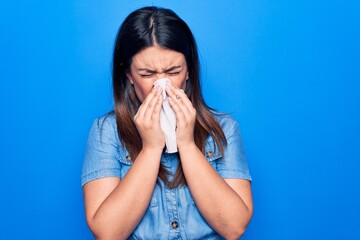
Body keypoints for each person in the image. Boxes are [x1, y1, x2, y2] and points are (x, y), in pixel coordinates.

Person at [81, 6, 253, 239]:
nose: (161, 85)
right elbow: (108, 232)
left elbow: (234, 227)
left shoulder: (224, 129)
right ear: (129, 75)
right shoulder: (106, 133)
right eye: (147, 74)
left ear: (189, 70)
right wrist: (151, 148)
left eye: (173, 71)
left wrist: (187, 144)